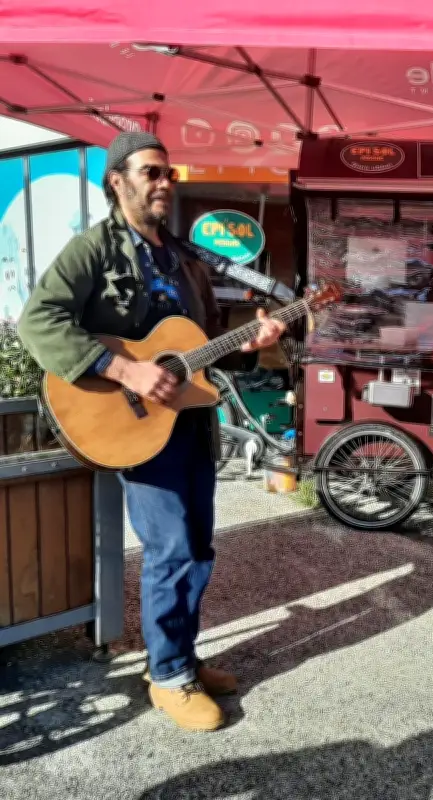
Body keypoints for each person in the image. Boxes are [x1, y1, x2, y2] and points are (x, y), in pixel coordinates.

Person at [17, 132, 286, 732]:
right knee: (170, 551)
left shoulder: (185, 257)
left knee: (199, 548)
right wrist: (124, 369)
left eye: (170, 174)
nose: (164, 183)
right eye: (152, 172)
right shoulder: (93, 250)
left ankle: (181, 658)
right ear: (118, 179)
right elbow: (38, 322)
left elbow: (202, 351)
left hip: (191, 420)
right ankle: (166, 676)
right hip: (137, 425)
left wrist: (253, 345)